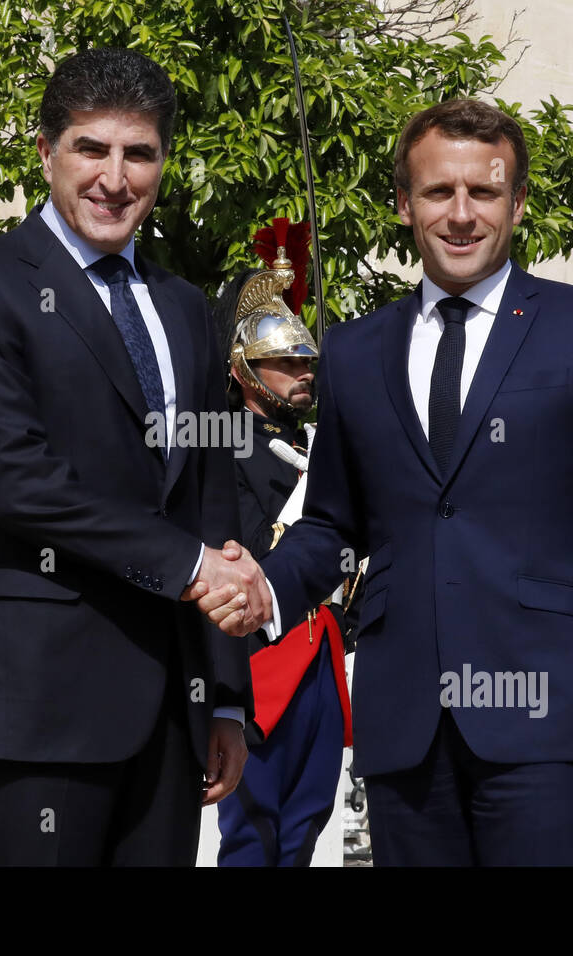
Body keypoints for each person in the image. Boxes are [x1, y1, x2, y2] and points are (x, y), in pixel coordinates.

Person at [198, 98, 573, 865]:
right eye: (439, 192)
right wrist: (266, 591)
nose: (461, 215)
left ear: (517, 202)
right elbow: (334, 526)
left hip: (550, 725)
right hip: (407, 729)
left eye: (484, 192)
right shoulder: (357, 352)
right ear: (405, 204)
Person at [0, 47, 263, 866]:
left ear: (162, 164)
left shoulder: (185, 307)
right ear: (46, 151)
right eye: (91, 148)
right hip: (43, 696)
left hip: (174, 708)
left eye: (138, 153)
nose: (115, 177)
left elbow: (208, 498)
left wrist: (224, 696)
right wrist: (193, 566)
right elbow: (18, 483)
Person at [212, 222, 355, 866]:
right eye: (287, 362)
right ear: (244, 368)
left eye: (306, 362)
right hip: (259, 659)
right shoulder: (221, 443)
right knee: (255, 831)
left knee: (304, 828)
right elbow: (235, 551)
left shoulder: (310, 442)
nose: (303, 373)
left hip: (320, 648)